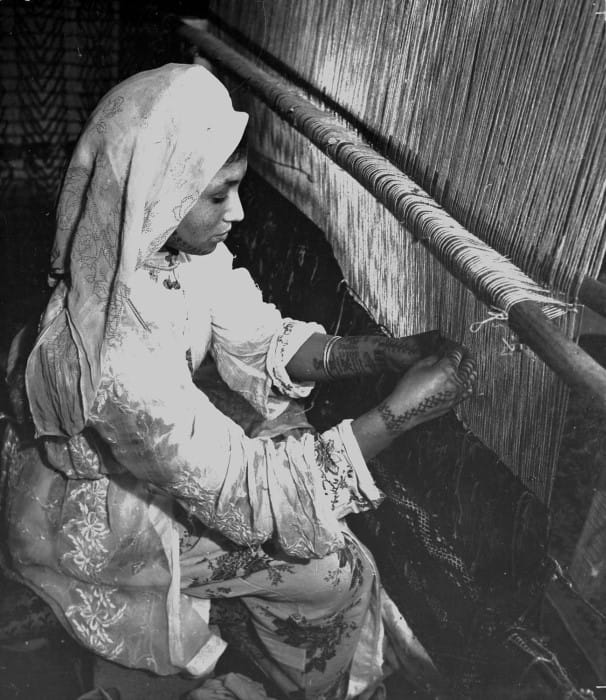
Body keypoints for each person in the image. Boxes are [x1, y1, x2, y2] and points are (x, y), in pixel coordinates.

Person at [0, 63, 476, 699]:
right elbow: (248, 493)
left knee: (308, 496)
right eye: (219, 194)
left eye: (238, 187)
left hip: (153, 449)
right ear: (162, 191)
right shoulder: (116, 354)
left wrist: (383, 353)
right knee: (334, 576)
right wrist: (399, 414)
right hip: (108, 512)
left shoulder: (164, 246)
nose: (241, 211)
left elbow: (255, 335)